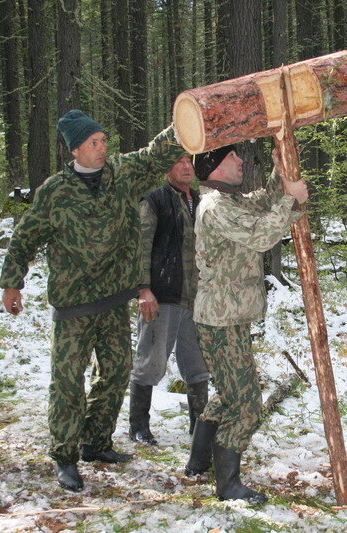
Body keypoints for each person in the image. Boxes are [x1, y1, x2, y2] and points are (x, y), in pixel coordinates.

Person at [0, 110, 183, 492]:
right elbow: (26, 235)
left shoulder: (121, 174)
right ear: (76, 150)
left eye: (104, 141)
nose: (102, 149)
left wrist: (184, 124)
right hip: (73, 306)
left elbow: (154, 155)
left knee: (115, 372)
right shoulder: (54, 190)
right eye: (94, 143)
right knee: (67, 382)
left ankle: (96, 443)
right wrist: (12, 283)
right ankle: (65, 456)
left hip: (114, 298)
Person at [184, 144, 308, 504]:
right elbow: (262, 235)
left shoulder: (230, 200)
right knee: (247, 404)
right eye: (233, 157)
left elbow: (263, 204)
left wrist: (279, 171)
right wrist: (291, 201)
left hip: (229, 317)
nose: (240, 161)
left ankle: (197, 463)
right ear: (216, 166)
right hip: (221, 321)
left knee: (229, 396)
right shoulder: (215, 207)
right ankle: (228, 486)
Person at [129, 155, 210, 445]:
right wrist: (143, 289)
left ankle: (199, 426)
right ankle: (138, 425)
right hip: (162, 296)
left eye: (189, 162)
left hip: (197, 299)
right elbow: (141, 246)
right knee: (151, 361)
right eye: (178, 162)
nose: (186, 167)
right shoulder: (155, 200)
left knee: (198, 365)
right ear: (167, 168)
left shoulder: (202, 202)